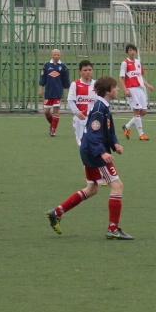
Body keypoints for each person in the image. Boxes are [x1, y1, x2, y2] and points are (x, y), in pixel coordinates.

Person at [46, 76, 134, 240]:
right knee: (117, 186)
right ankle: (112, 229)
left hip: (88, 151)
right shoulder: (100, 108)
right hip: (94, 153)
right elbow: (93, 134)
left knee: (92, 189)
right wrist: (102, 152)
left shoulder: (103, 106)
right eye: (115, 87)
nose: (118, 90)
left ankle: (56, 212)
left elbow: (109, 131)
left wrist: (115, 145)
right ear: (108, 91)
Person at [119, 43, 154, 141]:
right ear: (127, 52)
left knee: (144, 111)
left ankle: (127, 126)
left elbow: (140, 76)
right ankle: (141, 134)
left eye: (133, 50)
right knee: (137, 111)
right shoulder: (125, 63)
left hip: (140, 89)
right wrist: (125, 89)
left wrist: (148, 85)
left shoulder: (138, 62)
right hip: (131, 89)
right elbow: (121, 78)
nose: (132, 52)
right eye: (130, 50)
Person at [38, 48, 71, 137]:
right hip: (48, 92)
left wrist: (69, 90)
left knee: (56, 111)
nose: (56, 56)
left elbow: (66, 80)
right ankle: (53, 124)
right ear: (51, 55)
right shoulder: (47, 65)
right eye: (54, 55)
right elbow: (43, 78)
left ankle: (53, 130)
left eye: (58, 55)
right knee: (46, 111)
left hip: (58, 92)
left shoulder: (63, 67)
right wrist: (40, 88)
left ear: (60, 56)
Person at [66, 59, 97, 146]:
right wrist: (77, 112)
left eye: (90, 70)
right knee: (82, 143)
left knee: (94, 141)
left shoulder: (96, 84)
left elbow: (100, 101)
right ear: (80, 71)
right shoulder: (75, 84)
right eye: (85, 70)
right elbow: (70, 100)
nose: (88, 72)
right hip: (80, 119)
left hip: (93, 118)